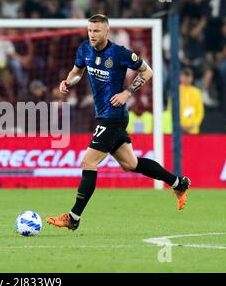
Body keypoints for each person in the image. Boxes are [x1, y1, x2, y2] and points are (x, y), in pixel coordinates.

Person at [46, 14, 191, 231]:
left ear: (106, 31)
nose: (92, 35)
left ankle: (73, 217)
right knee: (130, 164)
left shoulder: (119, 53)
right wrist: (68, 82)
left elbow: (147, 72)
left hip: (114, 116)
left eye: (96, 31)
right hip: (104, 115)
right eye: (89, 30)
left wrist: (127, 92)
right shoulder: (84, 49)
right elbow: (77, 72)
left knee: (88, 163)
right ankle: (179, 183)